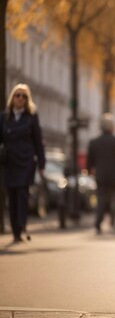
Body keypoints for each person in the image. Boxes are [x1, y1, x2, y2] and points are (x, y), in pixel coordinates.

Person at [0, 84, 46, 243]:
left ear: (28, 100)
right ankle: (15, 231)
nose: (20, 98)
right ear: (12, 98)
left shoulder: (31, 117)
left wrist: (42, 164)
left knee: (22, 195)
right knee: (11, 196)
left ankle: (21, 226)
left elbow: (38, 141)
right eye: (18, 95)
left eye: (24, 96)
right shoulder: (4, 117)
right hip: (9, 162)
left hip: (26, 162)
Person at [87, 113, 115, 235]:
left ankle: (98, 224)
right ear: (112, 127)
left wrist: (90, 171)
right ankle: (114, 222)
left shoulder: (94, 142)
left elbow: (90, 161)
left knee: (101, 200)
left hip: (100, 175)